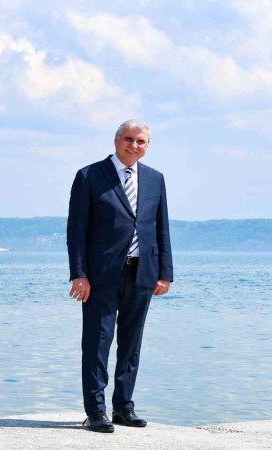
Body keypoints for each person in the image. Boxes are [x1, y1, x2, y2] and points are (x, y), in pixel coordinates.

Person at [67, 119, 174, 433]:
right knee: (97, 342)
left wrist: (165, 273)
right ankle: (96, 411)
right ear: (116, 140)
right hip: (100, 276)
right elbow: (76, 231)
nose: (134, 146)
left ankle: (123, 408)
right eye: (129, 139)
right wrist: (79, 274)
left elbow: (161, 229)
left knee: (131, 343)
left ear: (147, 145)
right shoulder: (89, 175)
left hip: (142, 272)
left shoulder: (155, 178)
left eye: (141, 141)